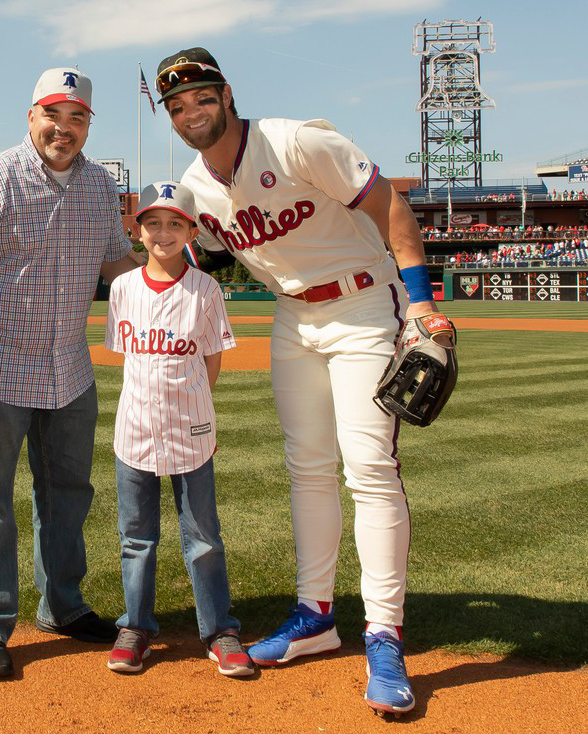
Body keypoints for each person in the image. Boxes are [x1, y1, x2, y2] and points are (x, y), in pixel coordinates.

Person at [155, 47, 450, 715]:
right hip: (295, 317)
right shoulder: (195, 189)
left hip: (363, 304)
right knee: (307, 468)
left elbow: (387, 206)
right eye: (175, 106)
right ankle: (315, 614)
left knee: (368, 468)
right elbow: (179, 252)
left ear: (226, 93)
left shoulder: (294, 142)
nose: (190, 112)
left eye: (200, 97)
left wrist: (421, 303)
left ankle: (383, 634)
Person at [0, 66, 141, 678]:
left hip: (69, 370)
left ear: (87, 126)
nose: (64, 128)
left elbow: (115, 263)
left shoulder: (100, 186)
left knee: (69, 496)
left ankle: (64, 608)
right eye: (53, 114)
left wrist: (172, 288)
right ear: (31, 117)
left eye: (77, 118)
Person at [104, 181, 253, 678]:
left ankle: (219, 630)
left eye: (174, 223)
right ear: (138, 230)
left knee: (204, 538)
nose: (163, 232)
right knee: (136, 538)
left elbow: (211, 361)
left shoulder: (205, 289)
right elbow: (125, 356)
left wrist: (190, 402)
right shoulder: (122, 288)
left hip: (191, 428)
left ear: (191, 230)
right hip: (134, 430)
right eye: (153, 222)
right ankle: (136, 627)